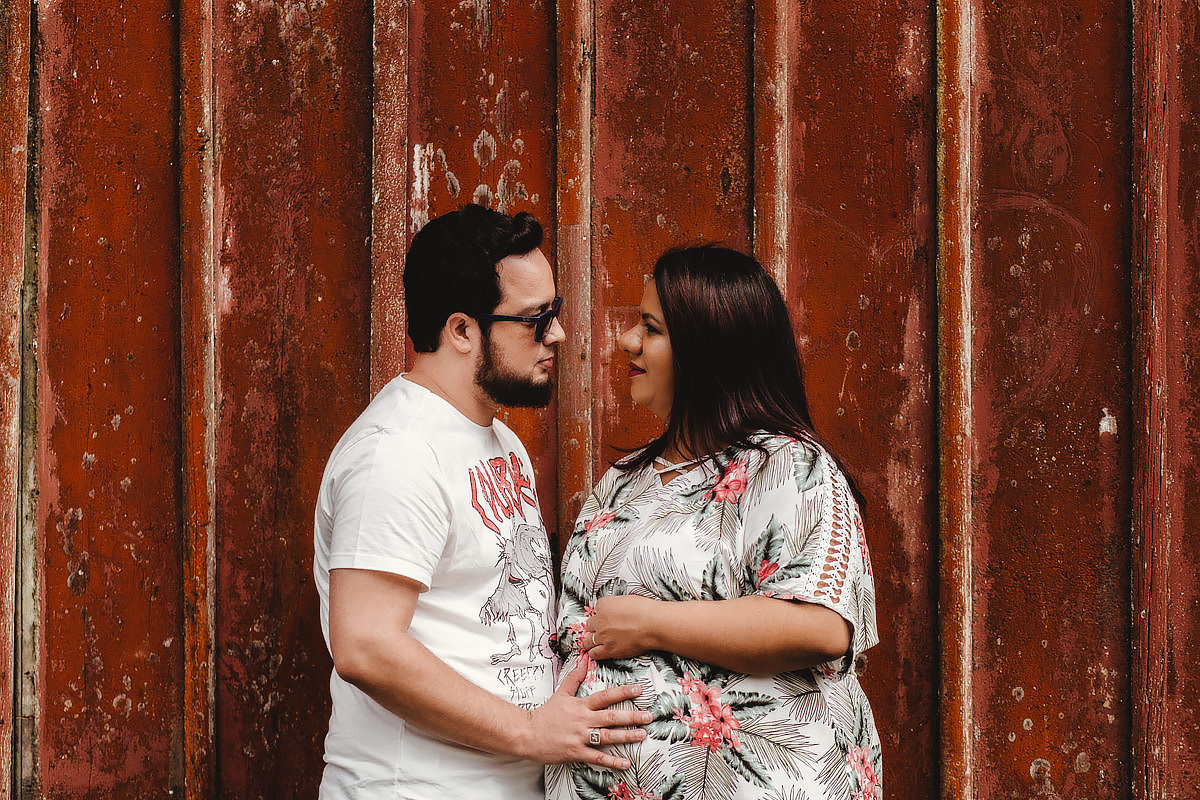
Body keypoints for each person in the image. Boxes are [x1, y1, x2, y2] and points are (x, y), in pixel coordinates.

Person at [313, 204, 650, 799]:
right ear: (462, 330)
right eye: (534, 320)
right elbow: (364, 646)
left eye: (556, 312)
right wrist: (527, 731)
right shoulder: (395, 453)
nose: (558, 335)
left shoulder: (499, 440)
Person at [547, 245, 882, 800]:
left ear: (707, 352)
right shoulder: (622, 481)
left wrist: (650, 623)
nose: (627, 340)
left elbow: (819, 626)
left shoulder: (787, 466)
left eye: (650, 328)